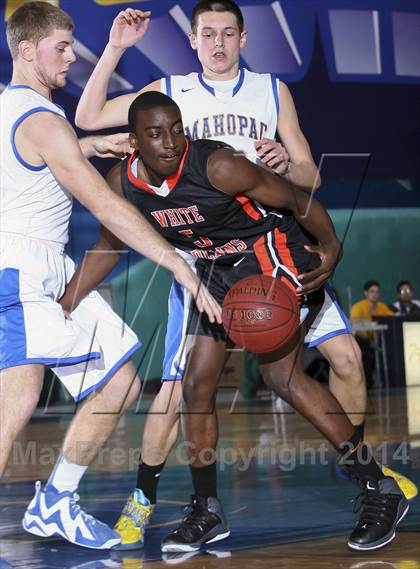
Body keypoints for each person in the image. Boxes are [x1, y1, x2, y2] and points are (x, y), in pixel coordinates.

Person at [74, 0, 416, 549]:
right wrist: (114, 48)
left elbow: (303, 183)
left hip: (271, 245)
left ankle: (375, 483)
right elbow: (89, 123)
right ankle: (201, 506)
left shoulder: (265, 98)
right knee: (189, 386)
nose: (216, 42)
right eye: (206, 33)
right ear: (192, 40)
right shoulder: (168, 93)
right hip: (206, 259)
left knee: (299, 372)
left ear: (243, 37)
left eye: (226, 33)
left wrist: (319, 225)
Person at [0, 1, 220, 551]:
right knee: (17, 405)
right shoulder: (41, 119)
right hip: (21, 271)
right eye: (61, 47)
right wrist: (173, 261)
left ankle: (55, 503)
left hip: (42, 269)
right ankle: (55, 503)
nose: (71, 56)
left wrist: (92, 145)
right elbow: (102, 203)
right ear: (26, 50)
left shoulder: (18, 111)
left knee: (114, 376)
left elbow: (42, 159)